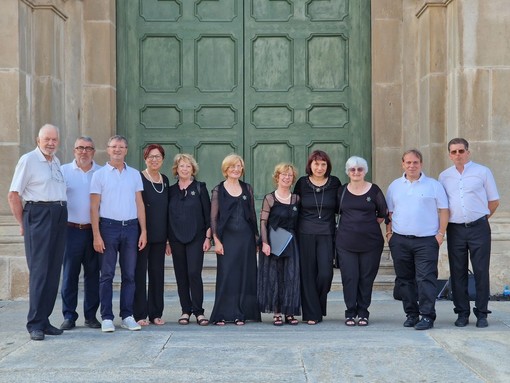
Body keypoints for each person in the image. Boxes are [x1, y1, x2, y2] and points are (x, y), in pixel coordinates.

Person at [7, 124, 68, 341]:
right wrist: (23, 223)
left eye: (54, 140)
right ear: (37, 139)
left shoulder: (56, 161)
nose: (51, 143)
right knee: (40, 271)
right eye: (47, 139)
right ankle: (34, 323)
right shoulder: (28, 160)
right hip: (39, 215)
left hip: (59, 215)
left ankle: (44, 320)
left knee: (53, 271)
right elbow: (14, 195)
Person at [438, 138, 500, 328]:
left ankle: (482, 313)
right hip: (455, 229)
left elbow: (494, 201)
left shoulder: (482, 172)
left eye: (461, 151)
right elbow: (442, 206)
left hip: (479, 227)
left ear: (468, 152)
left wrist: (480, 219)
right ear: (449, 154)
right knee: (458, 272)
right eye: (454, 151)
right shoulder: (444, 176)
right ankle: (462, 313)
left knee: (481, 271)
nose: (458, 155)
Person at [386, 149, 449, 330]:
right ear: (402, 164)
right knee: (405, 279)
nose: (411, 166)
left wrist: (440, 234)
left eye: (415, 162)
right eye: (408, 162)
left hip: (427, 241)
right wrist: (389, 234)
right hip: (400, 240)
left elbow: (444, 210)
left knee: (426, 279)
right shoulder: (395, 186)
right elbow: (389, 212)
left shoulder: (434, 185)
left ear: (421, 164)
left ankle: (427, 316)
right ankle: (411, 314)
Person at [90, 135, 147, 332]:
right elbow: (94, 207)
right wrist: (96, 235)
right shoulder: (99, 175)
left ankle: (127, 315)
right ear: (107, 149)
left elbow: (139, 204)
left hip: (131, 228)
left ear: (126, 150)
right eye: (114, 146)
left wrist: (144, 231)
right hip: (108, 228)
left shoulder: (134, 174)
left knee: (130, 274)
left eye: (121, 147)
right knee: (106, 274)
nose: (117, 150)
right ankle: (106, 317)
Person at [335, 156, 388, 326]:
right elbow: (336, 212)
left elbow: (382, 214)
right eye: (352, 169)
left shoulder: (374, 191)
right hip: (346, 244)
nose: (356, 172)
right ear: (348, 172)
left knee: (366, 278)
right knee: (350, 278)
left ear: (365, 171)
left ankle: (363, 312)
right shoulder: (342, 191)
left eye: (359, 169)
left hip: (371, 244)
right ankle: (350, 312)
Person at [210, 154, 261, 325]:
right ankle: (223, 314)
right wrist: (216, 241)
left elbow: (252, 215)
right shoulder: (219, 190)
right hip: (227, 239)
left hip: (246, 238)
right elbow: (214, 218)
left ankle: (241, 313)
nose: (236, 169)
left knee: (245, 275)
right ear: (226, 169)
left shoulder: (247, 188)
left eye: (239, 166)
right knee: (227, 275)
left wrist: (256, 238)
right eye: (233, 166)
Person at [293, 150, 341, 325]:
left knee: (325, 274)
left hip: (327, 234)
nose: (319, 167)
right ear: (310, 165)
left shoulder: (335, 182)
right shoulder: (302, 183)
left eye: (323, 164)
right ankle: (312, 313)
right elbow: (294, 208)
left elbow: (342, 207)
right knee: (307, 274)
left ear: (327, 166)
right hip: (304, 233)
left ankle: (318, 306)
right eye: (316, 164)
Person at [60, 137, 102, 330]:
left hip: (94, 231)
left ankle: (91, 316)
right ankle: (69, 315)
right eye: (80, 148)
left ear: (93, 151)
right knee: (70, 275)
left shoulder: (101, 172)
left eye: (88, 148)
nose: (84, 152)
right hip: (70, 230)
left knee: (93, 275)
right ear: (74, 150)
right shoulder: (63, 171)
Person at [168, 153, 212, 326]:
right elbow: (166, 216)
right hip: (175, 238)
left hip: (197, 237)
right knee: (181, 276)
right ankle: (185, 310)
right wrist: (167, 241)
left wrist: (208, 238)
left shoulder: (200, 187)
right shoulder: (170, 191)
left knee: (194, 273)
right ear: (176, 170)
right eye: (181, 166)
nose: (185, 169)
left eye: (188, 166)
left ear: (193, 169)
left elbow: (208, 215)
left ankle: (199, 311)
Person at [258, 163, 301, 326]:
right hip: (273, 242)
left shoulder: (297, 199)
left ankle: (289, 311)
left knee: (291, 276)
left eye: (290, 175)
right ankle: (276, 312)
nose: (287, 177)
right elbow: (263, 222)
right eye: (283, 174)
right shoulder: (270, 198)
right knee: (274, 277)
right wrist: (264, 243)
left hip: (291, 241)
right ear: (277, 177)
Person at [133, 144, 169, 326]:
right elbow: (139, 207)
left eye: (158, 156)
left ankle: (156, 313)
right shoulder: (138, 178)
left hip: (161, 236)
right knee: (140, 274)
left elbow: (167, 210)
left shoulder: (165, 179)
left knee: (157, 274)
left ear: (162, 159)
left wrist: (169, 238)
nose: (154, 160)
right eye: (151, 156)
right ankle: (139, 313)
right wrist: (144, 232)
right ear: (145, 158)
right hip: (142, 235)